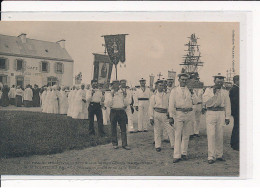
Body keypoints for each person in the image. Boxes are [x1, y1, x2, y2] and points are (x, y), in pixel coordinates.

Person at [169, 73, 198, 163]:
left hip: (189, 113)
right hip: (179, 113)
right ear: (179, 80)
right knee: (178, 135)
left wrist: (192, 93)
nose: (184, 81)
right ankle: (177, 155)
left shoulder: (190, 90)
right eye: (182, 79)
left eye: (186, 80)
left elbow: (196, 102)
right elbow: (171, 104)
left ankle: (184, 153)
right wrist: (171, 116)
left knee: (186, 134)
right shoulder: (174, 90)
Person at [202, 73, 231, 164]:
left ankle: (219, 155)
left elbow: (227, 105)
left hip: (221, 113)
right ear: (214, 81)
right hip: (211, 113)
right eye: (218, 81)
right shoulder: (208, 90)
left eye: (221, 82)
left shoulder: (225, 92)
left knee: (219, 135)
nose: (219, 83)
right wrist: (213, 93)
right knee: (211, 135)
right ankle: (211, 156)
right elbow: (205, 101)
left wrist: (227, 117)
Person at [104, 80, 131, 150]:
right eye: (115, 84)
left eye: (118, 84)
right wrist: (112, 96)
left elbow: (127, 103)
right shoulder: (109, 93)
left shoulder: (122, 92)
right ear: (112, 85)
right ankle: (115, 143)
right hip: (113, 111)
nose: (117, 86)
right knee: (113, 128)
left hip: (121, 111)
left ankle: (124, 144)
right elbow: (107, 104)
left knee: (123, 128)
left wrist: (125, 96)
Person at [149, 80, 175, 152]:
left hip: (165, 114)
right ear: (156, 86)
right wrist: (151, 117)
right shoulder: (153, 96)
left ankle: (173, 144)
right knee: (157, 130)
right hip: (156, 113)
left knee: (170, 129)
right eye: (159, 85)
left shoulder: (166, 95)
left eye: (162, 85)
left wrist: (170, 115)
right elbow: (151, 107)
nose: (161, 87)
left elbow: (169, 105)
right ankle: (158, 145)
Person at [229, 75, 239, 151]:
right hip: (237, 112)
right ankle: (235, 144)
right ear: (236, 81)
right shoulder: (235, 89)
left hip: (237, 112)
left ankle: (234, 143)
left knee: (237, 127)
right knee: (237, 127)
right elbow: (235, 102)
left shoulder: (235, 89)